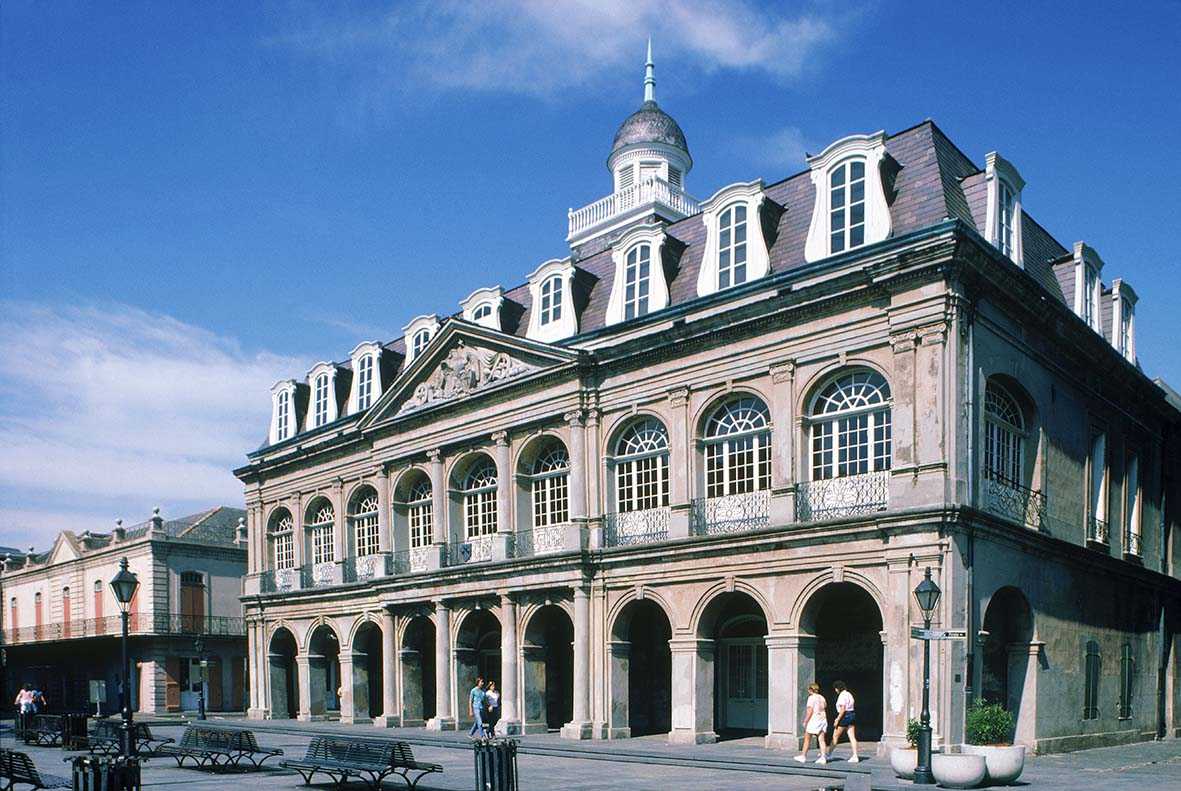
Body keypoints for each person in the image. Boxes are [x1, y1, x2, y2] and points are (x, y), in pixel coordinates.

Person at [795, 682, 829, 764]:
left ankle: (803, 756)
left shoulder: (811, 698)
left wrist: (805, 721)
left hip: (814, 720)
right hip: (823, 719)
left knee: (807, 738)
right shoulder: (822, 697)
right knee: (821, 739)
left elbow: (809, 711)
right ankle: (823, 757)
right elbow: (825, 706)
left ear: (810, 689)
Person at [830, 680, 860, 763]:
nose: (835, 690)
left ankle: (828, 754)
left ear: (837, 688)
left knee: (835, 736)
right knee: (852, 736)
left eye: (835, 689)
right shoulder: (849, 694)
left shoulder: (842, 696)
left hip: (844, 716)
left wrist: (837, 719)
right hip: (852, 714)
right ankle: (855, 755)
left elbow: (842, 709)